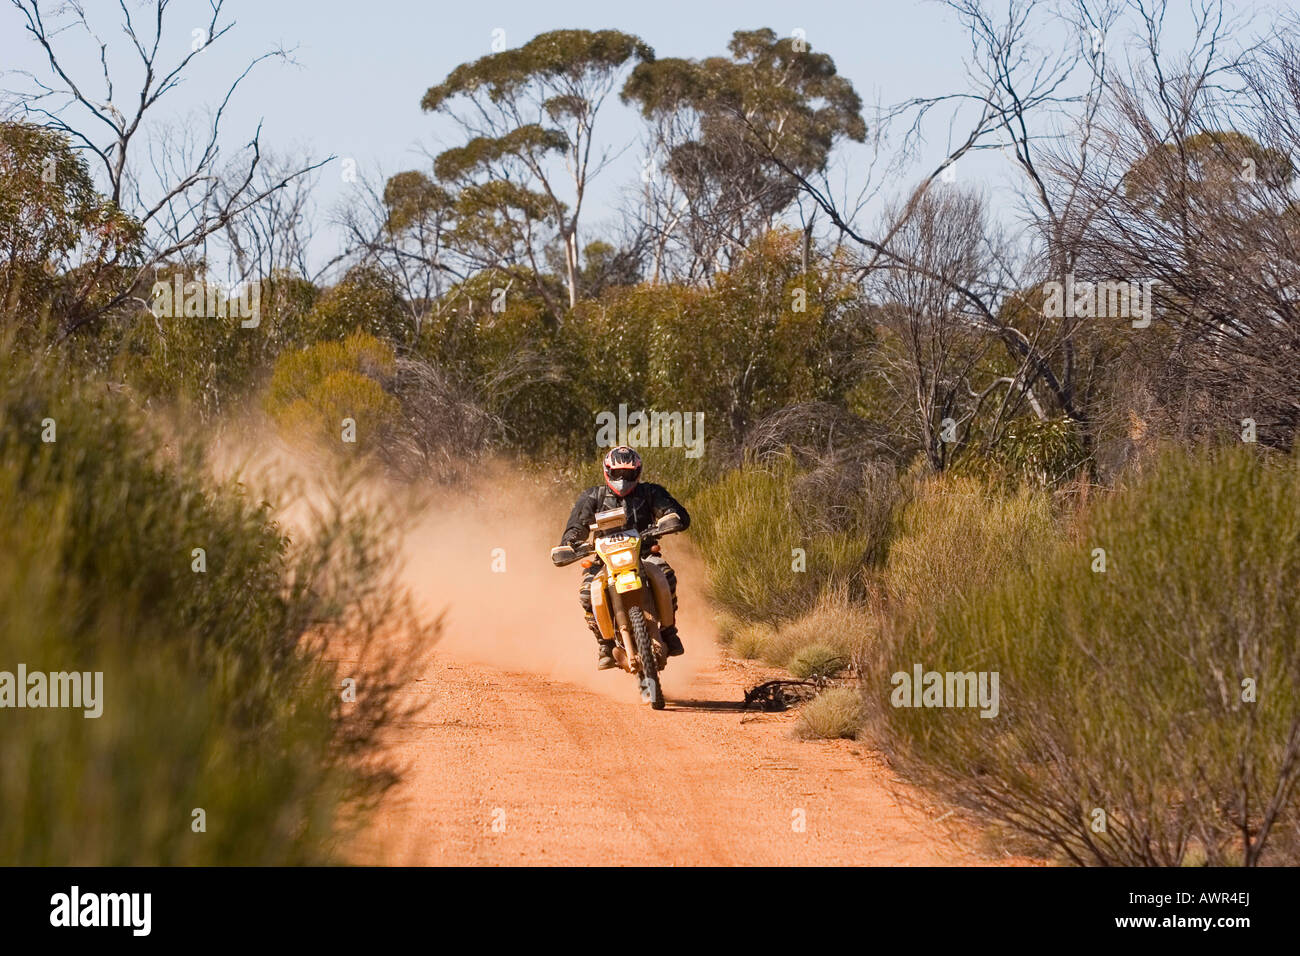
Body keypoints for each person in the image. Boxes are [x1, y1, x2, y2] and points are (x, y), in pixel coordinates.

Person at [559, 445, 690, 669]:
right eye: (617, 473)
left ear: (637, 472)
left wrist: (670, 518)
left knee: (666, 575)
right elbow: (576, 527)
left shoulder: (650, 492)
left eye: (628, 474)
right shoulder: (593, 496)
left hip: (644, 554)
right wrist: (571, 542)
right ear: (607, 471)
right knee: (586, 593)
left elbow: (676, 514)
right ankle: (605, 644)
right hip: (603, 561)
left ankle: (669, 631)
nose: (622, 478)